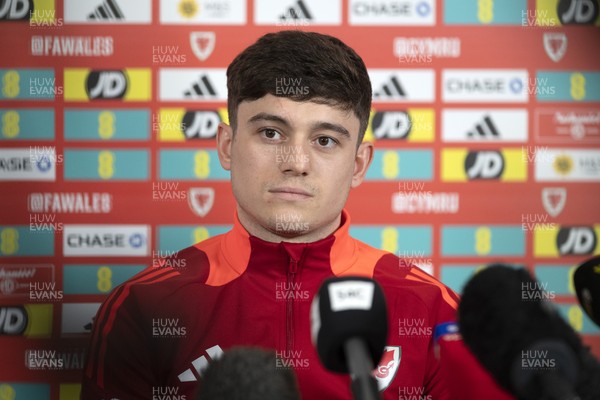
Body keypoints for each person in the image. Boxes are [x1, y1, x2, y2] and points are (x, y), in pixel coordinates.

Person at [81, 30, 511, 400]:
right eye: (271, 133)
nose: (295, 161)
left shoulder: (433, 311)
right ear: (227, 146)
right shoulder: (144, 307)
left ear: (359, 164)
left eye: (325, 140)